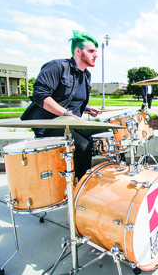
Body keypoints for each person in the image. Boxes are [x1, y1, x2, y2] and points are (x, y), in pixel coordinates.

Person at [21, 30, 105, 180]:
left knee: (111, 134)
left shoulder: (86, 75)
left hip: (72, 123)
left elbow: (72, 99)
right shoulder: (57, 67)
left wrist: (86, 108)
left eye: (96, 51)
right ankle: (79, 186)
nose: (95, 55)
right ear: (78, 51)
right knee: (82, 146)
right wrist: (67, 114)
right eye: (91, 51)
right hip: (50, 124)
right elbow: (40, 95)